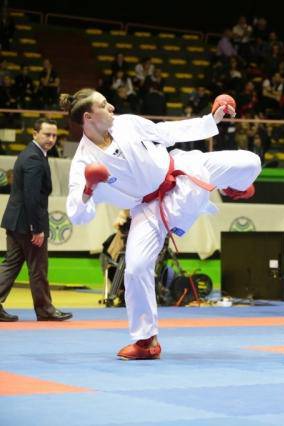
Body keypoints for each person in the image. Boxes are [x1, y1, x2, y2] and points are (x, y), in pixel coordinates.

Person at [62, 89, 261, 359]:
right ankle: (146, 341)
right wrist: (88, 187)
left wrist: (211, 119)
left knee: (251, 162)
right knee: (135, 268)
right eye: (103, 105)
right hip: (149, 208)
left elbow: (166, 133)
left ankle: (230, 187)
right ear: (89, 117)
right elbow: (77, 214)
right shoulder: (84, 162)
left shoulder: (127, 123)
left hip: (183, 173)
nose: (111, 106)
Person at [0, 119, 73, 322]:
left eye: (54, 135)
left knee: (11, 264)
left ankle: (44, 309)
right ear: (35, 134)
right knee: (38, 267)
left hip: (16, 221)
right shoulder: (33, 157)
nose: (51, 139)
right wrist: (36, 228)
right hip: (26, 223)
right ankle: (45, 311)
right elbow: (32, 197)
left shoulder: (31, 154)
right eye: (46, 134)